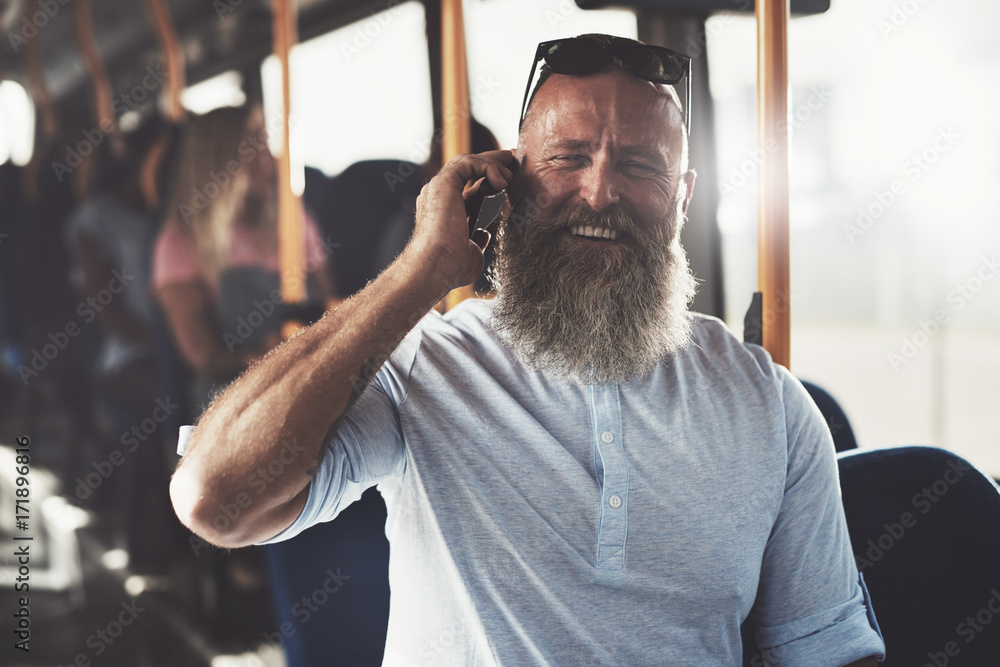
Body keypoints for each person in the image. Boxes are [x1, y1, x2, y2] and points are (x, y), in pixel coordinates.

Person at [168, 34, 885, 665]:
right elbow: (215, 499)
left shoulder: (769, 403)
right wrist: (420, 272)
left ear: (683, 197)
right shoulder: (426, 366)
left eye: (640, 166)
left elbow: (828, 649)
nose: (600, 191)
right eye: (569, 157)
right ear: (507, 180)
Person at [152, 104, 334, 409]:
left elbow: (330, 305)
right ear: (222, 161)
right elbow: (204, 357)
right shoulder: (179, 242)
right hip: (234, 392)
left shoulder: (293, 217)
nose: (271, 160)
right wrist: (262, 360)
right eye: (257, 148)